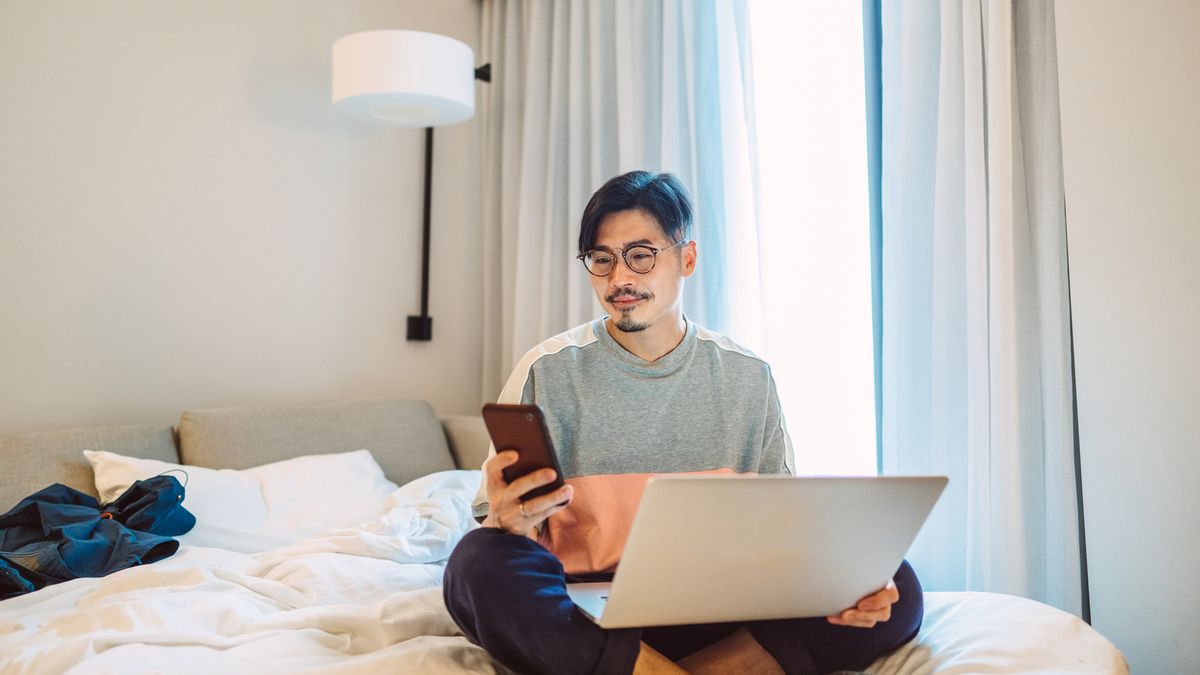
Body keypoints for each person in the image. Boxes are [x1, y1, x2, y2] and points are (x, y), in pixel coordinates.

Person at [443, 171, 922, 675]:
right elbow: (503, 538)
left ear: (686, 258)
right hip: (587, 615)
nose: (619, 278)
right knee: (476, 564)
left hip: (720, 608)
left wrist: (842, 575)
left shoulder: (747, 377)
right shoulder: (547, 370)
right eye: (601, 260)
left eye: (640, 255)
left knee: (896, 581)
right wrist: (506, 521)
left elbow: (783, 528)